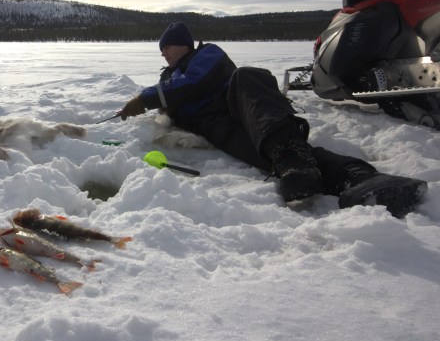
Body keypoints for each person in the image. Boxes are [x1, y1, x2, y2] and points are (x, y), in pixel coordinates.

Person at [119, 22, 427, 217]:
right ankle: (358, 178)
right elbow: (173, 102)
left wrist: (145, 99)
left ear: (183, 43)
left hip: (243, 105)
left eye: (166, 47)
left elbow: (194, 84)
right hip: (216, 127)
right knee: (280, 156)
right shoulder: (169, 78)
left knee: (249, 77)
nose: (163, 55)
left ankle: (303, 164)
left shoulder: (206, 55)